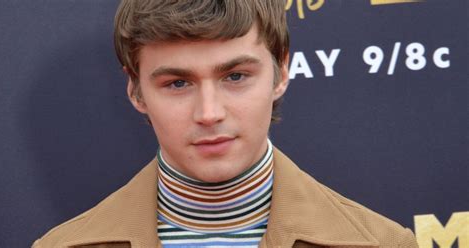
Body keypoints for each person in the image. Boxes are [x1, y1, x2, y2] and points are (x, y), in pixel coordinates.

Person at [33, 0, 419, 247]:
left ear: (281, 71)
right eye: (178, 83)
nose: (209, 112)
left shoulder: (382, 242)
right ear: (135, 91)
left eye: (235, 76)